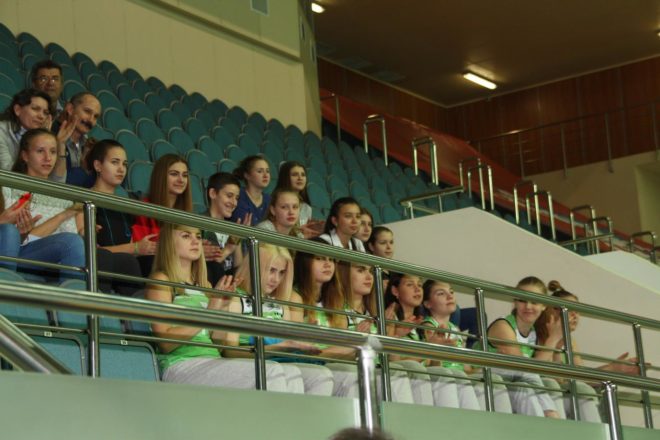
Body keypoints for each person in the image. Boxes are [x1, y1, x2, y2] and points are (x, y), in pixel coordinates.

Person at [145, 222, 293, 392]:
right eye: (186, 236)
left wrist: (222, 308)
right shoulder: (161, 280)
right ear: (168, 242)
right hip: (181, 364)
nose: (195, 241)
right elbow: (165, 343)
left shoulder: (205, 285)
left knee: (291, 373)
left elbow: (219, 344)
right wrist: (209, 313)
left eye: (198, 236)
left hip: (213, 361)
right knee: (270, 371)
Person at [289, 242, 415, 402]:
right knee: (354, 372)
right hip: (319, 364)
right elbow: (303, 351)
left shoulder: (334, 302)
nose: (328, 264)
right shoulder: (296, 297)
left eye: (330, 259)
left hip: (346, 362)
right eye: (320, 258)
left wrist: (390, 338)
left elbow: (347, 351)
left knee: (408, 370)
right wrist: (358, 341)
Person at [222, 243, 334, 395]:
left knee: (321, 375)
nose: (276, 279)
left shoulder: (280, 304)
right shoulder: (236, 297)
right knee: (282, 372)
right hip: (246, 364)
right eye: (271, 270)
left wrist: (303, 340)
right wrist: (280, 347)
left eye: (281, 273)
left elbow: (288, 346)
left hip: (276, 364)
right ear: (255, 267)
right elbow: (230, 353)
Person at [535, 280, 642, 422]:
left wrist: (614, 368)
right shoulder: (540, 334)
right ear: (553, 311)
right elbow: (550, 377)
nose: (575, 315)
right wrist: (554, 339)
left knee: (603, 390)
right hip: (546, 398)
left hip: (565, 396)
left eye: (578, 311)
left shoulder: (570, 341)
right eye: (570, 309)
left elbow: (581, 377)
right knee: (583, 391)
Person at [1, 128, 84, 279]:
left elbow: (69, 240)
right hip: (8, 253)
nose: (48, 158)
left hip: (37, 258)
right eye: (40, 151)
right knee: (10, 232)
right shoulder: (8, 187)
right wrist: (61, 217)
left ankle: (74, 293)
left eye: (53, 152)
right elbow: (7, 235)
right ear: (25, 156)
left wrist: (27, 235)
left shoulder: (62, 197)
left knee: (73, 242)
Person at [485, 276, 564, 418]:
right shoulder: (502, 325)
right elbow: (525, 368)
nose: (528, 306)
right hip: (486, 376)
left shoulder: (533, 333)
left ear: (544, 306)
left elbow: (545, 372)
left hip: (513, 382)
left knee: (536, 387)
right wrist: (553, 339)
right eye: (522, 300)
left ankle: (549, 423)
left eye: (534, 301)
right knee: (527, 372)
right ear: (515, 302)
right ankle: (552, 416)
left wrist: (555, 342)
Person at [83, 139, 153, 296]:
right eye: (115, 162)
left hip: (124, 267)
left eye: (124, 164)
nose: (121, 169)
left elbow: (129, 246)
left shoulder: (124, 207)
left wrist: (141, 249)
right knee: (127, 262)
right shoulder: (84, 201)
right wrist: (135, 248)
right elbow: (93, 252)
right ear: (98, 166)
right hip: (99, 268)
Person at [132, 154, 192, 275]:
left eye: (185, 175)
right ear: (161, 177)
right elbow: (146, 248)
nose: (181, 180)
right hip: (154, 264)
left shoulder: (187, 213)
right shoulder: (145, 208)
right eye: (174, 174)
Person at [202, 172, 247, 285]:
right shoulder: (200, 224)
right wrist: (228, 249)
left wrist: (237, 241)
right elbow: (208, 266)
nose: (234, 203)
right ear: (213, 193)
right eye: (229, 196)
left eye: (237, 198)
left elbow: (238, 268)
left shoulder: (231, 227)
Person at [51, 92, 101, 187]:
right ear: (70, 109)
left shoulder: (89, 146)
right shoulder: (50, 135)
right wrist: (83, 170)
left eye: (95, 116)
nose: (91, 120)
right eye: (87, 111)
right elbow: (54, 183)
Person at [0, 89, 52, 171]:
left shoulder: (43, 137)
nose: (41, 116)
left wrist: (44, 141)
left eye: (45, 113)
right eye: (35, 109)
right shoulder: (1, 132)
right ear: (18, 110)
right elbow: (8, 173)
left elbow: (55, 178)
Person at [274, 161, 324, 237]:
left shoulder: (307, 208)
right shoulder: (275, 202)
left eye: (303, 175)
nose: (300, 178)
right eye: (295, 175)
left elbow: (302, 235)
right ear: (285, 178)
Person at [229, 155, 271, 226]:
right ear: (247, 175)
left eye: (267, 171)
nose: (265, 175)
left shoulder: (269, 200)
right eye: (260, 171)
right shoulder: (237, 195)